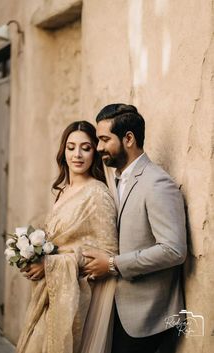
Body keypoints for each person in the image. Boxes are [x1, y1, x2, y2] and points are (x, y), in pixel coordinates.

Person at [83, 104, 187, 353]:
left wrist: (112, 264)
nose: (98, 148)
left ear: (128, 138)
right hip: (119, 311)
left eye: (104, 139)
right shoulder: (117, 179)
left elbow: (174, 250)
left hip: (150, 319)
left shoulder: (157, 183)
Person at [16, 121, 118, 353]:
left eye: (86, 147)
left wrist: (50, 265)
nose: (77, 155)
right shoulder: (63, 191)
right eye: (71, 147)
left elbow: (109, 254)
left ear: (95, 151)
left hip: (74, 300)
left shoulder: (98, 194)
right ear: (63, 152)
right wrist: (34, 256)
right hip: (51, 294)